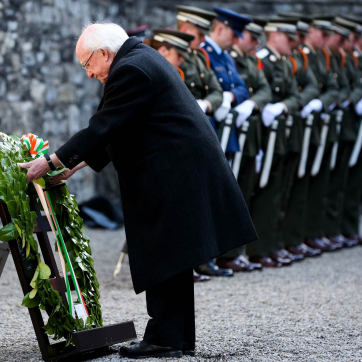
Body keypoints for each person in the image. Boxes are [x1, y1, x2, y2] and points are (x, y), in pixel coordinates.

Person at [19, 22, 257, 359]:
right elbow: (120, 127)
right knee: (174, 255)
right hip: (176, 169)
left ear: (104, 53)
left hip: (172, 173)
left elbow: (104, 125)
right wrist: (73, 165)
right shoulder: (139, 59)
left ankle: (165, 337)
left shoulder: (130, 69)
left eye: (88, 64)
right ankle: (174, 337)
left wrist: (52, 160)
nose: (89, 74)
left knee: (163, 253)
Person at [143, 27, 217, 282]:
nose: (184, 60)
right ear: (163, 50)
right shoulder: (150, 73)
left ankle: (189, 266)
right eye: (178, 54)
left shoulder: (173, 71)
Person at [175, 6, 234, 277]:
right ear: (185, 29)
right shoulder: (172, 55)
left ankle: (203, 258)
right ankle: (190, 261)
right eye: (198, 34)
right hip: (183, 136)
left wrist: (207, 104)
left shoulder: (198, 58)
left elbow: (218, 92)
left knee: (204, 197)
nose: (201, 41)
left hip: (203, 130)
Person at [216, 16, 272, 272]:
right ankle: (224, 254)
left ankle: (237, 252)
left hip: (247, 135)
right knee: (229, 193)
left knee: (245, 193)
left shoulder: (250, 60)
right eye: (251, 37)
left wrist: (250, 103)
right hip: (227, 132)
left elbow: (261, 89)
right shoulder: (228, 58)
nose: (255, 42)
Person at [245, 18, 302, 267]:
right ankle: (257, 249)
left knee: (276, 192)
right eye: (288, 38)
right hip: (261, 135)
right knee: (261, 191)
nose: (293, 43)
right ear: (275, 35)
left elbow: (293, 95)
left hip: (279, 135)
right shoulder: (263, 60)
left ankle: (269, 246)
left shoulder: (281, 61)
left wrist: (282, 106)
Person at [300, 16, 340, 252]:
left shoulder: (320, 57)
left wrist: (320, 103)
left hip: (318, 125)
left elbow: (332, 87)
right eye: (321, 33)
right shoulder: (303, 56)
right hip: (291, 127)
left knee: (319, 183)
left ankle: (309, 235)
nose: (325, 39)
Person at [201, 7, 252, 155]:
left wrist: (229, 96)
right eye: (233, 35)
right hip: (210, 130)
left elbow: (243, 88)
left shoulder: (227, 57)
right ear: (220, 29)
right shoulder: (203, 53)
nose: (237, 40)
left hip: (227, 131)